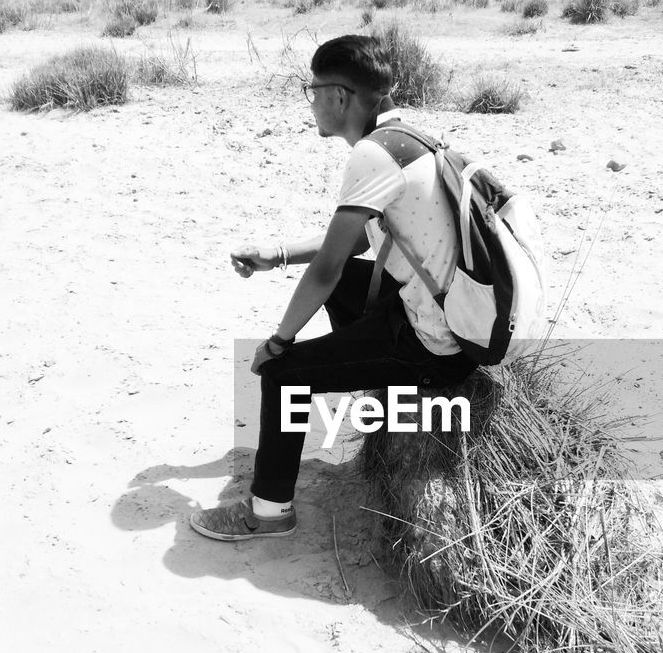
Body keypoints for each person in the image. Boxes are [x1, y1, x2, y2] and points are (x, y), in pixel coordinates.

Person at [190, 34, 477, 542]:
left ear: (340, 97)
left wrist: (278, 342)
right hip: (446, 310)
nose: (312, 102)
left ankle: (269, 513)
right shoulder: (406, 138)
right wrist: (276, 256)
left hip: (433, 339)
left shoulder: (371, 155)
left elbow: (325, 269)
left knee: (283, 376)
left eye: (313, 90)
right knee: (346, 283)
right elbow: (354, 250)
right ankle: (376, 385)